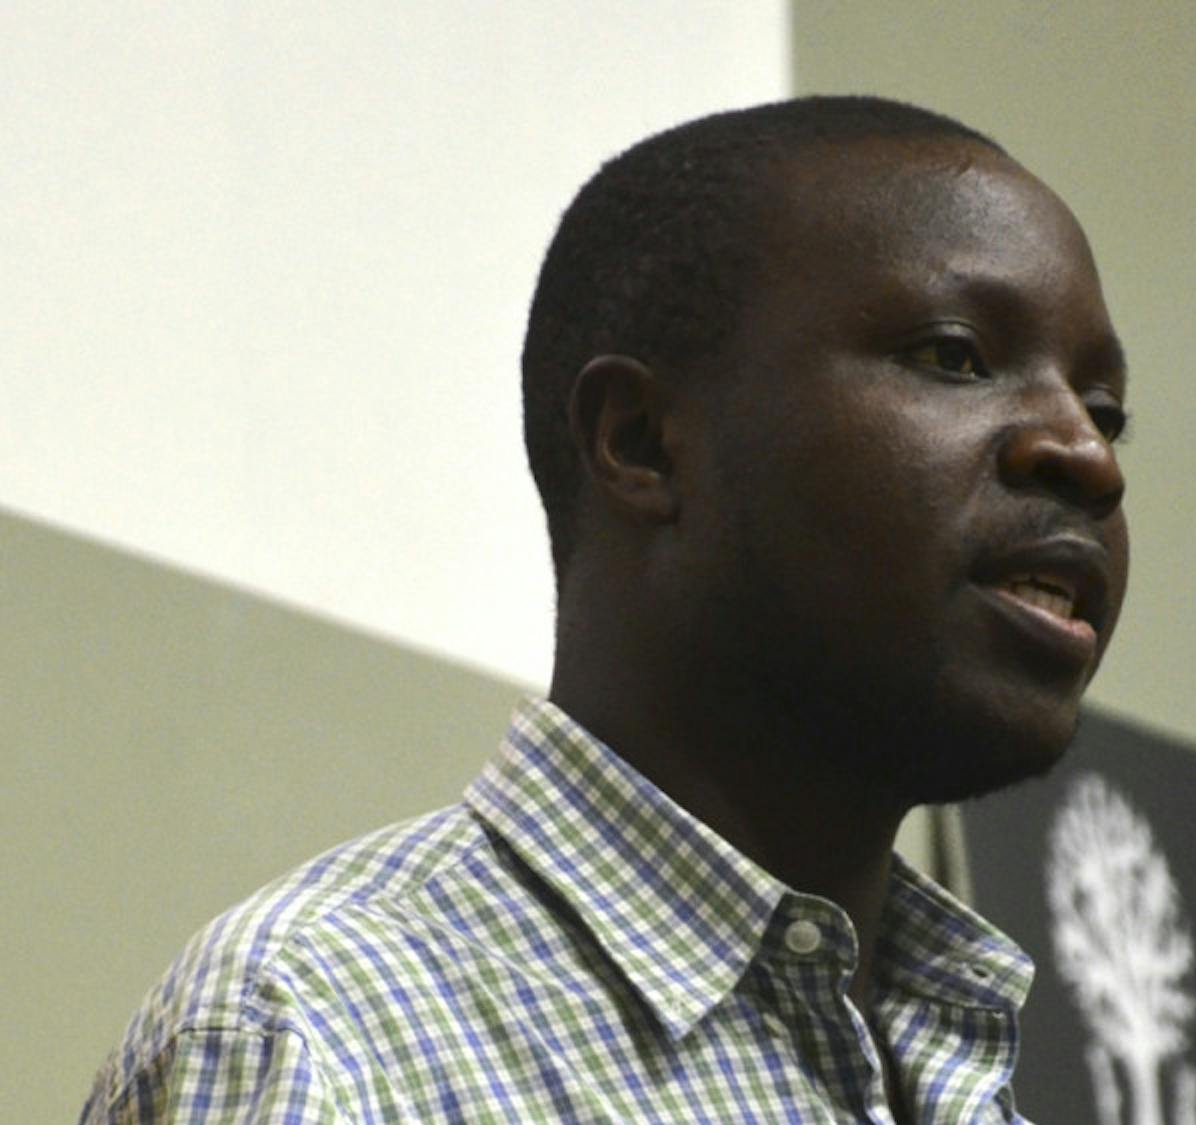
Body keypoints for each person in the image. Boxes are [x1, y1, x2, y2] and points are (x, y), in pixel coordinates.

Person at [82, 95, 1129, 1123]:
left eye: (1106, 411)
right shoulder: (320, 1039)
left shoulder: (971, 1087)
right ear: (639, 440)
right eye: (955, 355)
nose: (1085, 453)